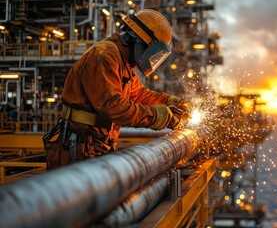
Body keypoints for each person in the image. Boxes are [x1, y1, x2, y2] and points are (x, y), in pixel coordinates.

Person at [43, 9, 191, 170]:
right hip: (79, 146)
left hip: (95, 143)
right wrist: (158, 116)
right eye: (152, 52)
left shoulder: (123, 63)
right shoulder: (105, 56)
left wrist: (170, 101)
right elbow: (112, 106)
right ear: (140, 41)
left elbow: (139, 94)